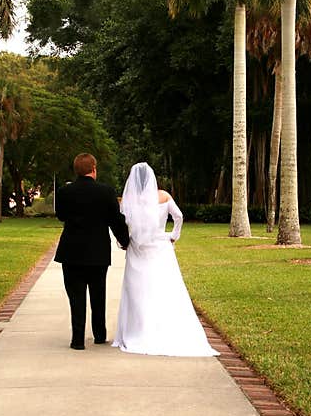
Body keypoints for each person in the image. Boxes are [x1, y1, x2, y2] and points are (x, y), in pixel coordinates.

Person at [113, 162, 219, 357]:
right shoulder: (164, 197)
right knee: (164, 286)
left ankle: (136, 330)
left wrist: (125, 241)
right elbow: (179, 216)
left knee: (137, 289)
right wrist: (173, 235)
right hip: (161, 246)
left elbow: (123, 223)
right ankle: (165, 325)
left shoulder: (129, 200)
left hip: (137, 248)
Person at [54, 153, 130, 350]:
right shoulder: (106, 192)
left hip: (71, 252)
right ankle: (99, 334)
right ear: (94, 169)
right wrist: (125, 241)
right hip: (97, 251)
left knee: (76, 296)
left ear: (76, 170)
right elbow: (115, 219)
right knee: (98, 294)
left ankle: (77, 339)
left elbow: (61, 216)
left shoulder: (64, 191)